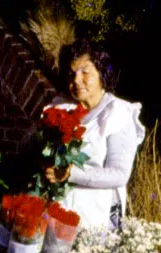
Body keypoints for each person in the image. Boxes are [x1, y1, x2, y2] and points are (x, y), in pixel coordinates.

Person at [45, 39, 145, 229]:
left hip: (96, 216)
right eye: (72, 73)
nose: (76, 80)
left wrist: (71, 173)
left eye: (85, 72)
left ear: (102, 74)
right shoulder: (61, 108)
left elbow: (119, 174)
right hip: (61, 212)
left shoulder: (118, 113)